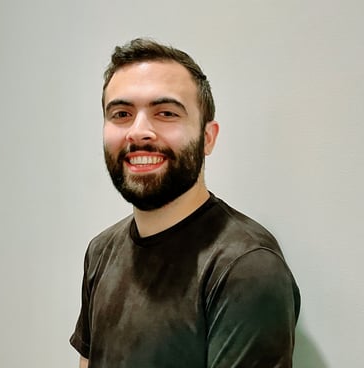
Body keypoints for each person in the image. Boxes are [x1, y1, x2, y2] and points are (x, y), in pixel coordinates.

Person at [70, 38, 300, 368]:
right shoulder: (101, 251)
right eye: (121, 113)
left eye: (165, 113)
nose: (139, 131)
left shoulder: (245, 266)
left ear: (208, 138)